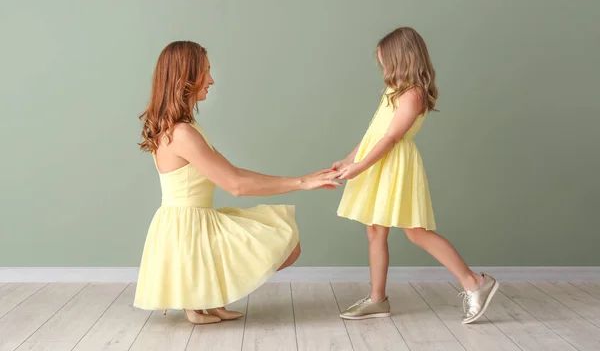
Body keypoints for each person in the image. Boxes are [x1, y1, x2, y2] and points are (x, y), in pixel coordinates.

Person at [133, 41, 341, 324]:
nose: (212, 80)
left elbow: (233, 172)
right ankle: (196, 298)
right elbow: (236, 185)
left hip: (191, 222)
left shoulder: (185, 129)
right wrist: (302, 183)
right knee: (283, 242)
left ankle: (209, 297)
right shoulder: (181, 134)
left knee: (287, 244)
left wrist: (303, 179)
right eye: (206, 72)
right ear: (186, 79)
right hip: (187, 229)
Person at [333, 27, 498, 324]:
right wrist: (349, 158)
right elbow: (374, 133)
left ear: (401, 59)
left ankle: (476, 282)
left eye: (385, 61)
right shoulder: (393, 92)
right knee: (374, 230)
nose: (382, 67)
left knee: (415, 231)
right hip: (377, 161)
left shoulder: (413, 95)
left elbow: (391, 139)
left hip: (393, 165)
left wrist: (359, 167)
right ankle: (377, 299)